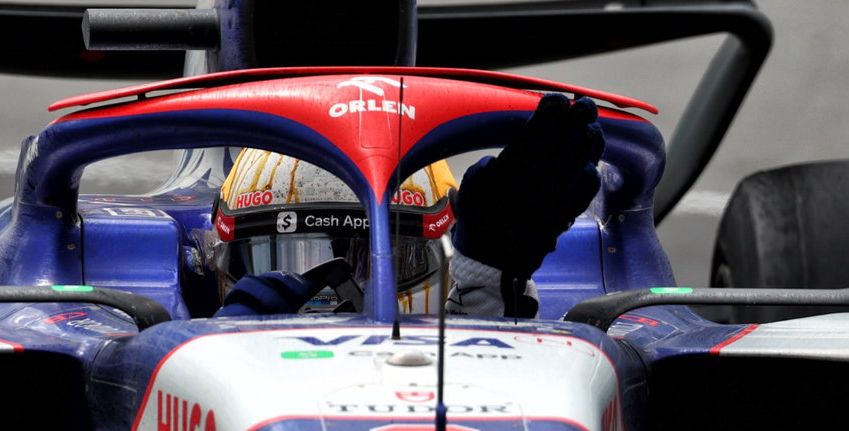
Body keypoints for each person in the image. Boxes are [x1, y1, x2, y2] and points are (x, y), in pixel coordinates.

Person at [208, 94, 604, 318]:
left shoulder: (464, 355)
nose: (342, 295)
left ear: (447, 256)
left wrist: (489, 272)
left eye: (385, 261)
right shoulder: (200, 362)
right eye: (291, 259)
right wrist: (218, 344)